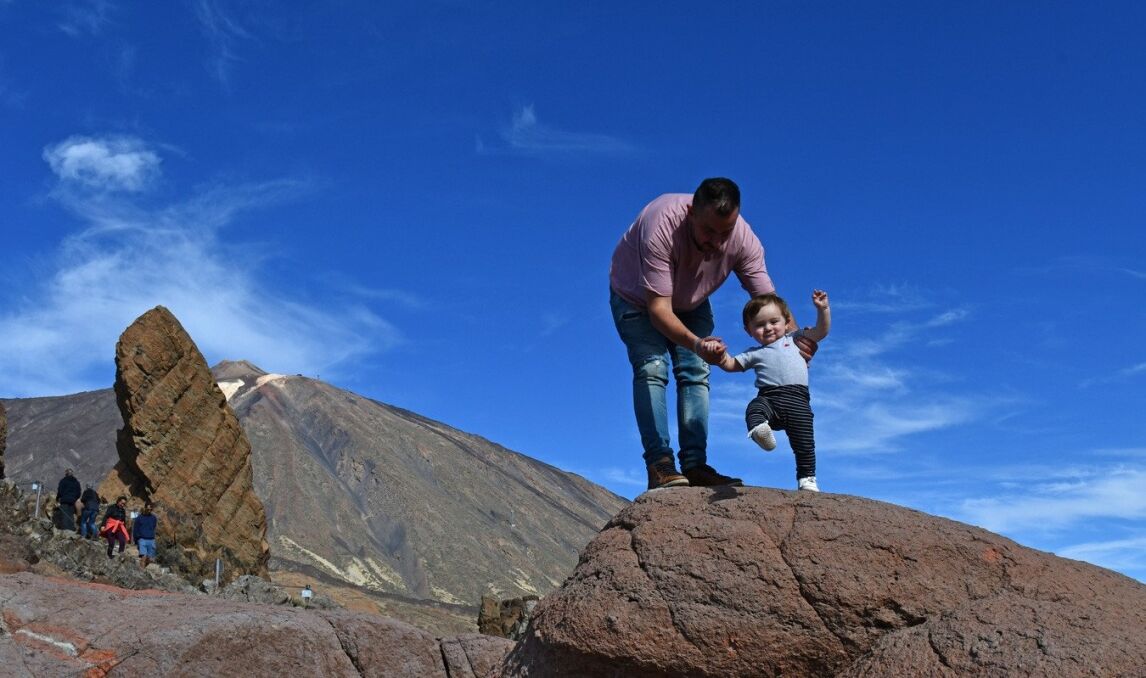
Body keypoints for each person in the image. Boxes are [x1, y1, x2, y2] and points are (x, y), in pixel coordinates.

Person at [609, 177, 814, 491]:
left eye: (725, 232)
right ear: (691, 212)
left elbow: (770, 303)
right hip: (638, 298)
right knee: (652, 367)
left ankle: (695, 466)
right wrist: (696, 343)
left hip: (692, 301)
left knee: (696, 371)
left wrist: (795, 342)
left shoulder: (743, 239)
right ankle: (660, 464)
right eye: (708, 231)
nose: (717, 242)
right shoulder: (661, 224)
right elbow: (659, 309)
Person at [706, 290, 831, 491]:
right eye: (759, 325)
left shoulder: (796, 338)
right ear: (748, 330)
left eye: (774, 321)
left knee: (805, 443)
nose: (768, 328)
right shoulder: (754, 353)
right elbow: (731, 364)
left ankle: (807, 478)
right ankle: (759, 430)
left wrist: (823, 309)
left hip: (798, 401)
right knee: (755, 408)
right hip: (770, 398)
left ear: (787, 322)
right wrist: (719, 355)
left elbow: (821, 332)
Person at [132, 501, 158, 568]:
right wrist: (136, 540)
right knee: (143, 557)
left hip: (151, 539)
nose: (149, 511)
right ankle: (141, 571)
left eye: (151, 509)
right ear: (145, 508)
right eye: (148, 509)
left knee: (149, 558)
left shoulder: (154, 518)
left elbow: (153, 527)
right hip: (142, 539)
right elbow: (135, 529)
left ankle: (143, 570)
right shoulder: (139, 518)